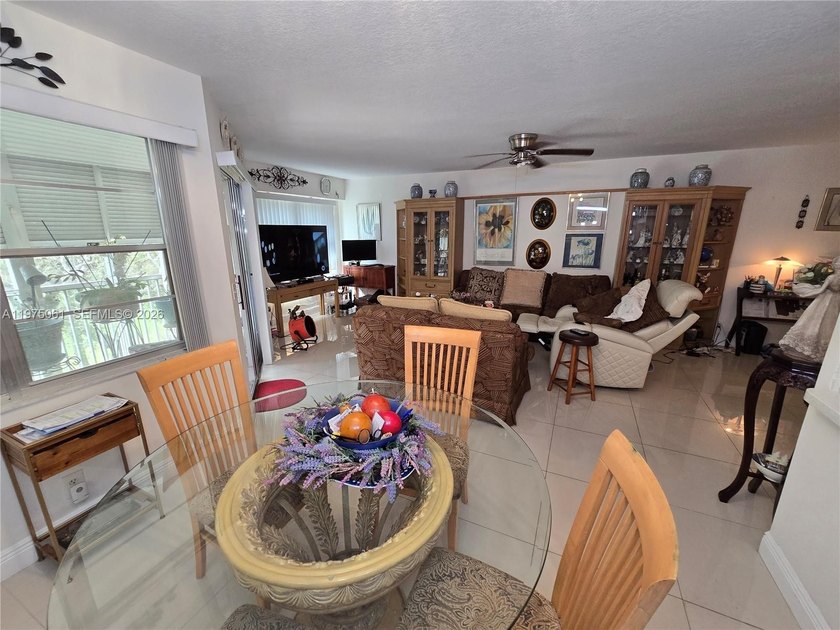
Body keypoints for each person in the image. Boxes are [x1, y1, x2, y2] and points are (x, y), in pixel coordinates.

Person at [779, 255, 840, 362]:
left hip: (826, 300)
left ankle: (814, 350)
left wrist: (806, 291)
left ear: (835, 266)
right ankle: (827, 352)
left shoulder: (831, 278)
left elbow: (821, 290)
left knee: (816, 321)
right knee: (831, 324)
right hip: (837, 301)